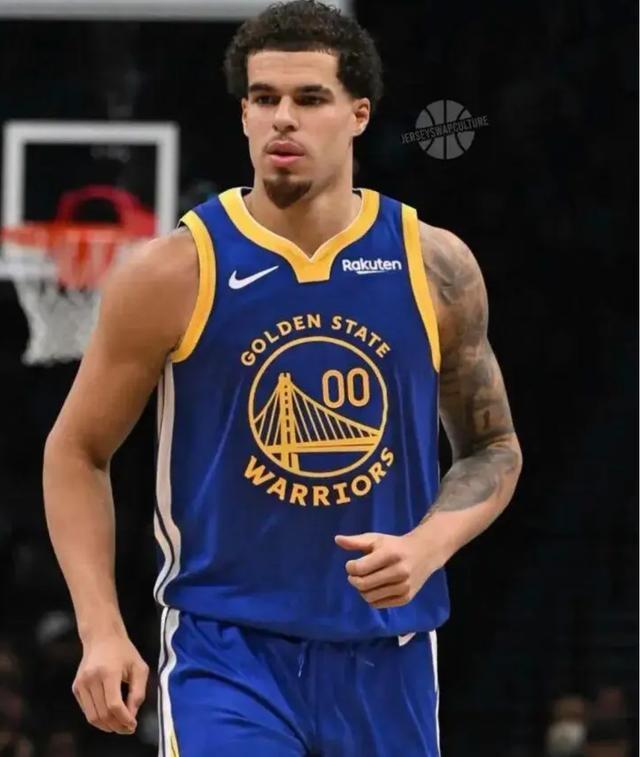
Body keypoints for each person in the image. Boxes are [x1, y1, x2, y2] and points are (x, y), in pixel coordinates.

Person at [42, 2, 522, 755]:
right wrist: (101, 629)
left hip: (388, 652)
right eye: (264, 98)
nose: (283, 119)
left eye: (309, 98)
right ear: (243, 115)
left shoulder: (434, 264)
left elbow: (494, 448)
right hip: (227, 652)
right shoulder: (174, 270)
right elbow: (76, 451)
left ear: (359, 114)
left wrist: (431, 542)